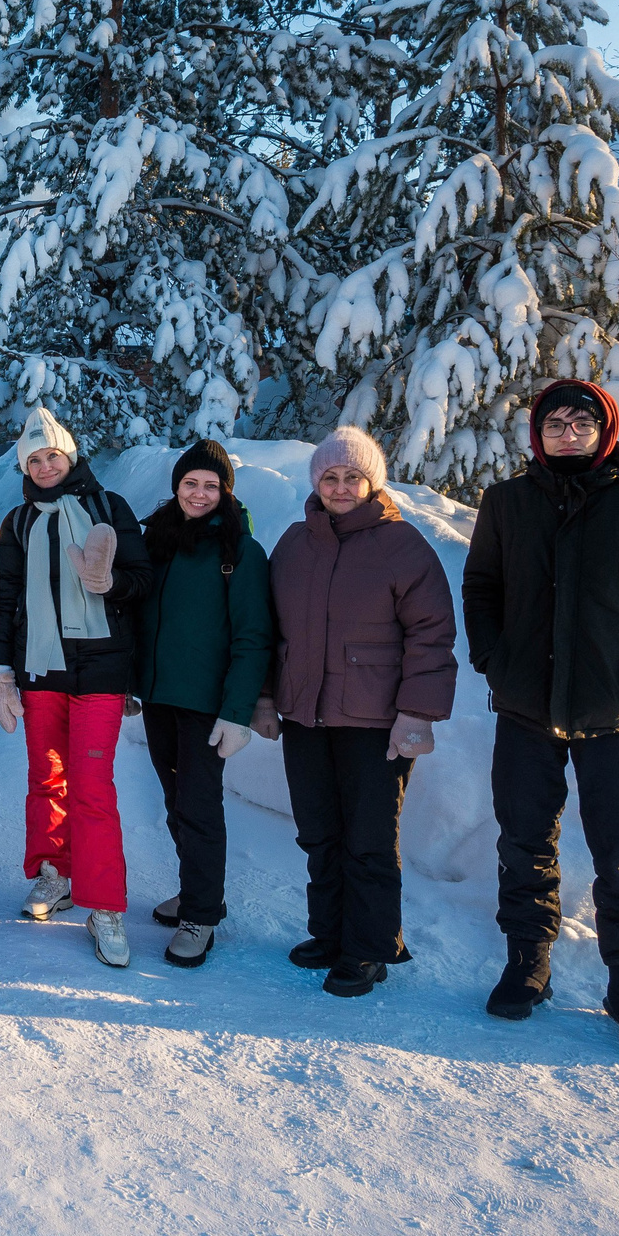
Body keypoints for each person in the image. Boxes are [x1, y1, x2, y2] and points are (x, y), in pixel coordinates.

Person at [463, 381, 619, 1064]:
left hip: (613, 714)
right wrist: (495, 660)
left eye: (582, 422)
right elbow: (481, 587)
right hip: (525, 708)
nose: (567, 432)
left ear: (607, 430)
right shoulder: (507, 502)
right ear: (535, 431)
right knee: (524, 840)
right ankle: (528, 960)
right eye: (555, 421)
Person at [267, 427, 456, 997]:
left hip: (376, 722)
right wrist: (264, 697)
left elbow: (432, 635)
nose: (342, 487)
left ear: (373, 482)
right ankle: (330, 934)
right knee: (319, 834)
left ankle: (370, 947)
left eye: (353, 477)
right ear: (316, 482)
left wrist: (417, 713)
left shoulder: (403, 546)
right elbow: (270, 629)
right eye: (331, 477)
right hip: (306, 717)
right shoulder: (295, 544)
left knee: (369, 839)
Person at [0, 407, 154, 968]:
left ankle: (104, 905)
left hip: (101, 673)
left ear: (70, 456)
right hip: (40, 673)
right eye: (32, 460)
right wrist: (0, 671)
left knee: (92, 788)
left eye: (51, 455)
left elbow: (143, 582)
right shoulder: (18, 522)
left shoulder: (110, 509)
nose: (43, 466)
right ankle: (55, 874)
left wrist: (110, 584)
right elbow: (6, 601)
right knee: (46, 779)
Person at [132, 439, 273, 969]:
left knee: (199, 808)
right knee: (175, 802)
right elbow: (138, 617)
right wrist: (131, 681)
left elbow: (253, 636)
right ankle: (198, 894)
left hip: (207, 706)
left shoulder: (241, 552)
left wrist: (238, 710)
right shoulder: (159, 541)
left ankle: (201, 917)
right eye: (191, 483)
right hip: (160, 697)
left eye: (211, 485)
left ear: (226, 493)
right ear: (176, 486)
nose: (199, 493)